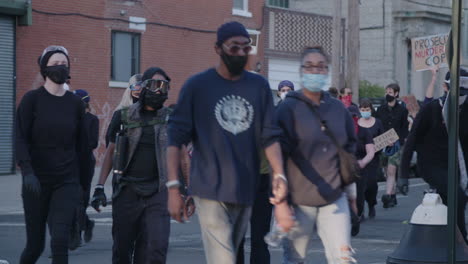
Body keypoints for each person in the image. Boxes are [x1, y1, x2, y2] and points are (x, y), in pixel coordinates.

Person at [166, 21, 290, 264]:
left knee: (231, 254)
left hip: (246, 187)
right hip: (209, 188)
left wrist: (280, 176)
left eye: (246, 48)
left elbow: (269, 136)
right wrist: (173, 189)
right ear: (218, 48)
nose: (241, 54)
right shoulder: (198, 86)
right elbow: (175, 139)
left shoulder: (259, 86)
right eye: (234, 48)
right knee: (223, 259)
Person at [275, 46, 356, 263]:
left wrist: (351, 194)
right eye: (309, 66)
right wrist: (281, 203)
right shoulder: (287, 109)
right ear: (301, 71)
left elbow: (348, 151)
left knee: (343, 259)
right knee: (294, 259)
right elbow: (277, 157)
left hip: (334, 199)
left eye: (320, 67)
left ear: (327, 71)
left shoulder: (338, 109)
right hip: (298, 200)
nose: (315, 71)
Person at [91, 67, 177, 263]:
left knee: (154, 249)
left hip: (157, 191)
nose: (159, 91)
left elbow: (181, 155)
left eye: (164, 87)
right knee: (122, 249)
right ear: (144, 86)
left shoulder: (170, 118)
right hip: (127, 190)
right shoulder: (123, 116)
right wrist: (99, 187)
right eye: (155, 85)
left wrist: (185, 189)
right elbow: (111, 152)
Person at [16, 45, 86, 263]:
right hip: (36, 181)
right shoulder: (31, 100)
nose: (60, 67)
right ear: (44, 69)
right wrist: (27, 171)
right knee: (35, 246)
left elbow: (82, 148)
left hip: (66, 181)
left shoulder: (75, 103)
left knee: (60, 241)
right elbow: (19, 138)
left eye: (64, 64)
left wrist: (84, 187)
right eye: (55, 64)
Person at [401, 68, 468, 243]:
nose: (461, 96)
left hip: (459, 166)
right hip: (432, 164)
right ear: (446, 88)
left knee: (452, 200)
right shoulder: (430, 109)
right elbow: (412, 140)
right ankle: (460, 242)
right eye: (458, 91)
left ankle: (444, 240)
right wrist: (403, 175)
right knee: (457, 197)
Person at [68, 89, 99, 249]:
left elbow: (93, 143)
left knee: (81, 200)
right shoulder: (69, 118)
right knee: (72, 200)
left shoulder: (92, 119)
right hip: (69, 163)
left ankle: (78, 232)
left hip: (85, 163)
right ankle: (84, 226)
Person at [375, 83, 409, 208]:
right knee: (386, 170)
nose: (387, 94)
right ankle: (393, 196)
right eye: (386, 92)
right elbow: (377, 126)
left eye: (390, 92)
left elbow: (404, 128)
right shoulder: (380, 109)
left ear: (396, 94)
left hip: (396, 143)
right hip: (383, 143)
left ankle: (387, 195)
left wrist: (399, 141)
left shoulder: (402, 110)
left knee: (391, 169)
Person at [357, 98, 384, 219]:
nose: (365, 111)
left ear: (371, 109)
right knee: (360, 185)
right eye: (363, 110)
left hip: (374, 158)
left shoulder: (377, 122)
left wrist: (388, 143)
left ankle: (371, 204)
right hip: (359, 158)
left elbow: (383, 138)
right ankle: (360, 210)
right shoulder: (356, 123)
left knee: (371, 183)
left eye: (367, 109)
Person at [105, 74, 143, 147]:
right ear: (129, 90)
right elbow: (110, 137)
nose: (140, 91)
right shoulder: (121, 113)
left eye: (143, 88)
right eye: (136, 87)